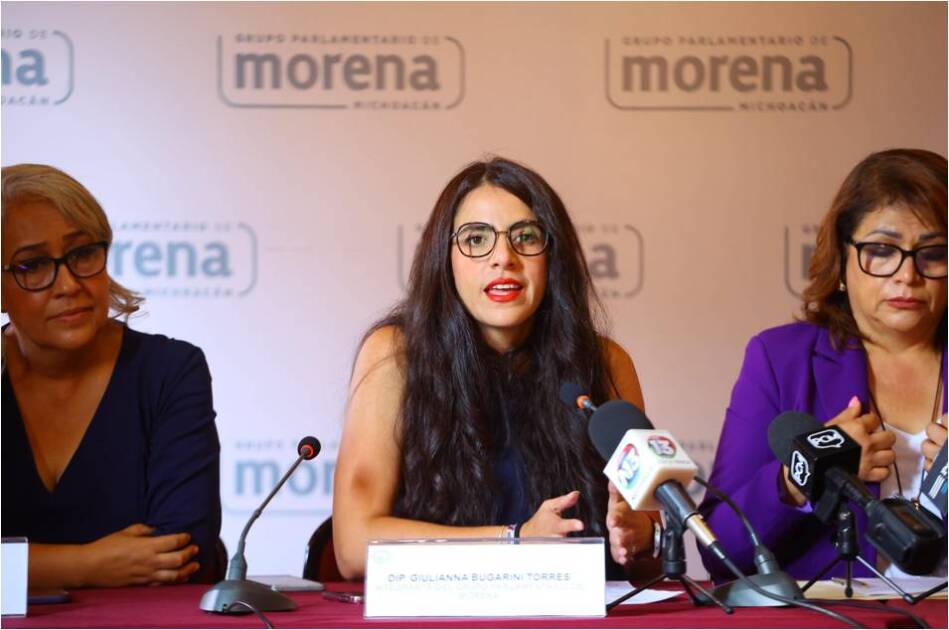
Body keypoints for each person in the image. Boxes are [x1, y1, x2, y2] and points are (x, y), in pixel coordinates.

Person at [332, 157, 660, 580]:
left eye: (526, 237)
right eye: (476, 239)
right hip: (440, 609)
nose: (504, 258)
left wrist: (640, 535)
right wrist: (515, 540)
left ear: (553, 257)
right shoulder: (394, 355)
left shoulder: (607, 363)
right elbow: (354, 545)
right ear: (444, 258)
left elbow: (652, 551)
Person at [699, 149, 947, 582]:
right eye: (881, 250)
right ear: (843, 260)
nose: (907, 275)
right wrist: (808, 475)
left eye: (933, 252)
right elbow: (720, 551)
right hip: (835, 613)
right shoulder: (780, 359)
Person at [1, 164, 222, 588]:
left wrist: (19, 568)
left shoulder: (170, 370)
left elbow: (182, 550)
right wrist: (87, 564)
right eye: (33, 265)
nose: (68, 284)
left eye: (82, 253)